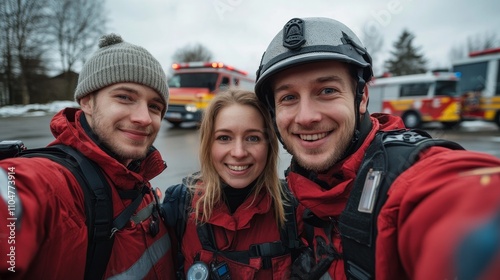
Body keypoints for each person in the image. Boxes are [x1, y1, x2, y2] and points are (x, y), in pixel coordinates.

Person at [254, 17, 500, 279]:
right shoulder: (293, 193)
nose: (305, 117)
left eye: (327, 90)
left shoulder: (409, 177)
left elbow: (465, 199)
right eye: (288, 97)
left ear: (362, 98)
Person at [0, 34, 176, 279]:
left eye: (155, 106)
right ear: (87, 102)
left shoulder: (136, 178)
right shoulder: (53, 184)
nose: (144, 118)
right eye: (125, 97)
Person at [165, 89, 295, 279]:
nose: (239, 152)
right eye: (224, 138)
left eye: (253, 138)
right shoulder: (178, 205)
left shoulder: (293, 208)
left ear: (269, 146)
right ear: (208, 144)